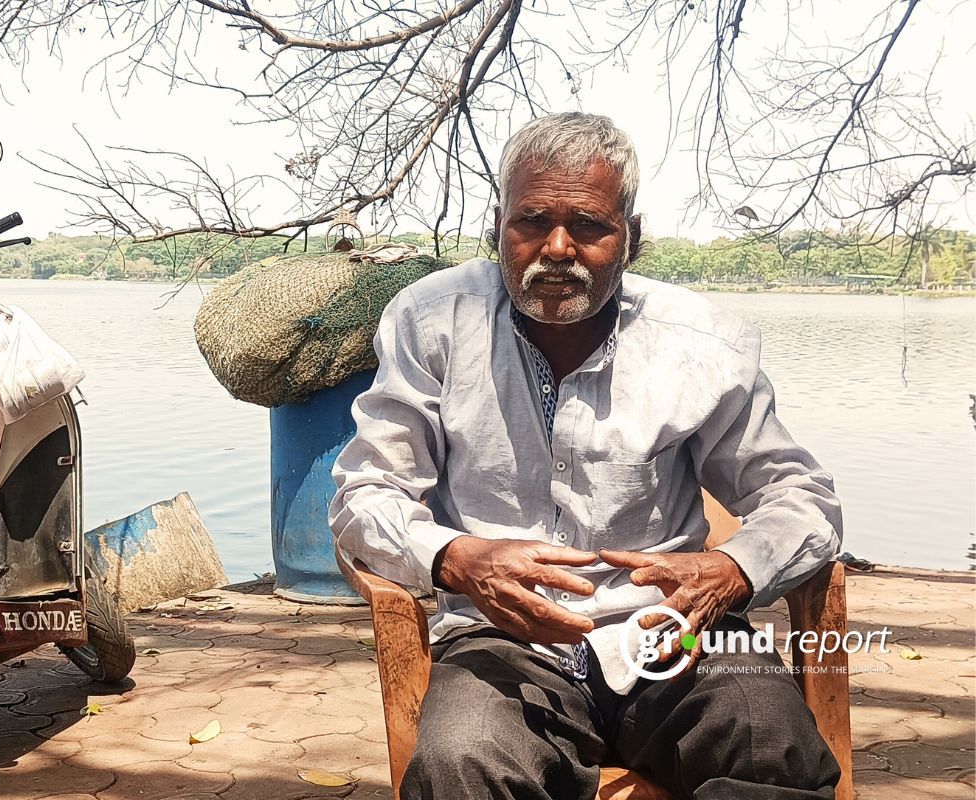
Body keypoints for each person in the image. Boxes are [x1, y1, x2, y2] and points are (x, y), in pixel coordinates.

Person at [328, 112, 844, 799]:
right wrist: (456, 558)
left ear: (632, 238)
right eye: (532, 221)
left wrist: (731, 569)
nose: (557, 248)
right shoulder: (431, 321)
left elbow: (800, 497)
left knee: (769, 744)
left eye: (591, 227)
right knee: (460, 761)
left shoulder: (702, 343)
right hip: (501, 640)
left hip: (673, 635)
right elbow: (365, 492)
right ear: (498, 229)